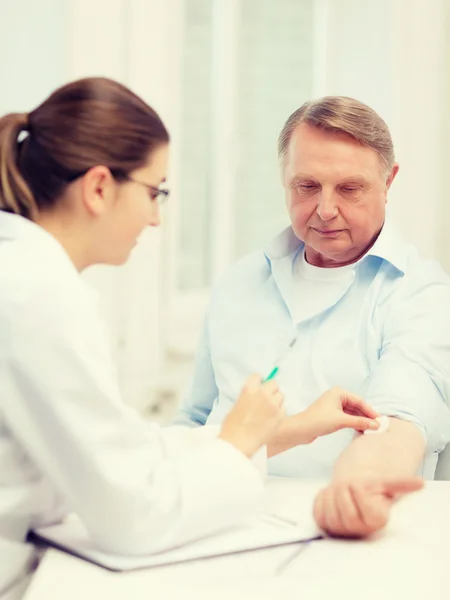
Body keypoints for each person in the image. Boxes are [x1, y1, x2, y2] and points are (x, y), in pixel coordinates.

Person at [0, 79, 383, 599]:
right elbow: (137, 515)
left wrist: (277, 430)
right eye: (155, 191)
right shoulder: (38, 295)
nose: (156, 218)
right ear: (97, 187)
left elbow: (126, 452)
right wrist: (240, 439)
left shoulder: (24, 273)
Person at [174, 95, 449, 538]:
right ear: (285, 179)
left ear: (388, 181)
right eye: (306, 186)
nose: (324, 209)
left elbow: (398, 421)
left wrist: (358, 486)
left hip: (343, 531)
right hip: (216, 521)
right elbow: (194, 417)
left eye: (349, 188)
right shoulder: (238, 282)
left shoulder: (420, 295)